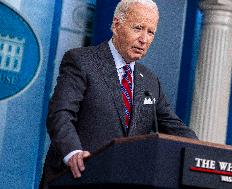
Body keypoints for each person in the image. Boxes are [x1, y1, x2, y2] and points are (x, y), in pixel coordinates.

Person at [42, 0, 197, 186]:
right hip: (76, 177)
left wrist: (205, 155)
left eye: (150, 32)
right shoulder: (81, 61)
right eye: (138, 28)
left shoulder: (149, 80)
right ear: (116, 25)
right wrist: (73, 152)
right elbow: (60, 114)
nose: (144, 39)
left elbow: (175, 128)